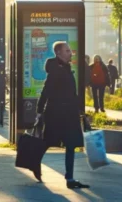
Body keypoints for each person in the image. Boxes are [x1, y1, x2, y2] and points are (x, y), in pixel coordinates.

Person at [34, 41, 89, 189]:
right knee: (48, 142)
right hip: (56, 114)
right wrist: (39, 111)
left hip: (69, 113)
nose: (70, 53)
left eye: (70, 50)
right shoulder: (56, 70)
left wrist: (80, 110)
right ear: (58, 53)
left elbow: (71, 93)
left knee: (71, 144)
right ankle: (34, 164)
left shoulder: (65, 68)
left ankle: (70, 178)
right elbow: (46, 91)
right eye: (67, 51)